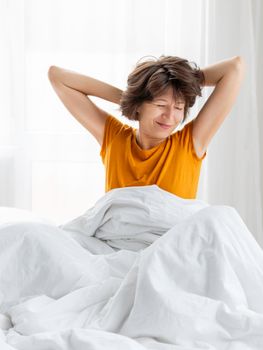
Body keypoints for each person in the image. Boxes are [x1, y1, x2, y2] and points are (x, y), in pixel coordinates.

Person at [48, 55, 245, 199]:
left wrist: (180, 79)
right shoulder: (114, 138)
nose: (169, 116)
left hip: (170, 250)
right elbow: (57, 76)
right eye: (160, 105)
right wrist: (131, 100)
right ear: (140, 104)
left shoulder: (190, 143)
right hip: (120, 249)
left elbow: (235, 68)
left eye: (178, 107)